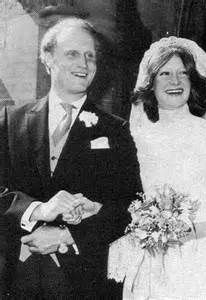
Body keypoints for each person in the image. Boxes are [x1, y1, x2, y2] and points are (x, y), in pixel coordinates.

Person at [0, 17, 141, 299]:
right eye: (73, 53)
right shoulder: (10, 121)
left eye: (90, 56)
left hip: (82, 279)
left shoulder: (117, 130)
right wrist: (38, 211)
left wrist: (68, 235)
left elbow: (130, 205)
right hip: (14, 275)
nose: (84, 64)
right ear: (48, 59)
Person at [108, 36, 206, 299]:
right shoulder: (136, 139)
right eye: (165, 73)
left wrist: (196, 231)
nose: (175, 81)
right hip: (153, 260)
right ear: (150, 83)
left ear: (193, 81)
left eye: (183, 73)